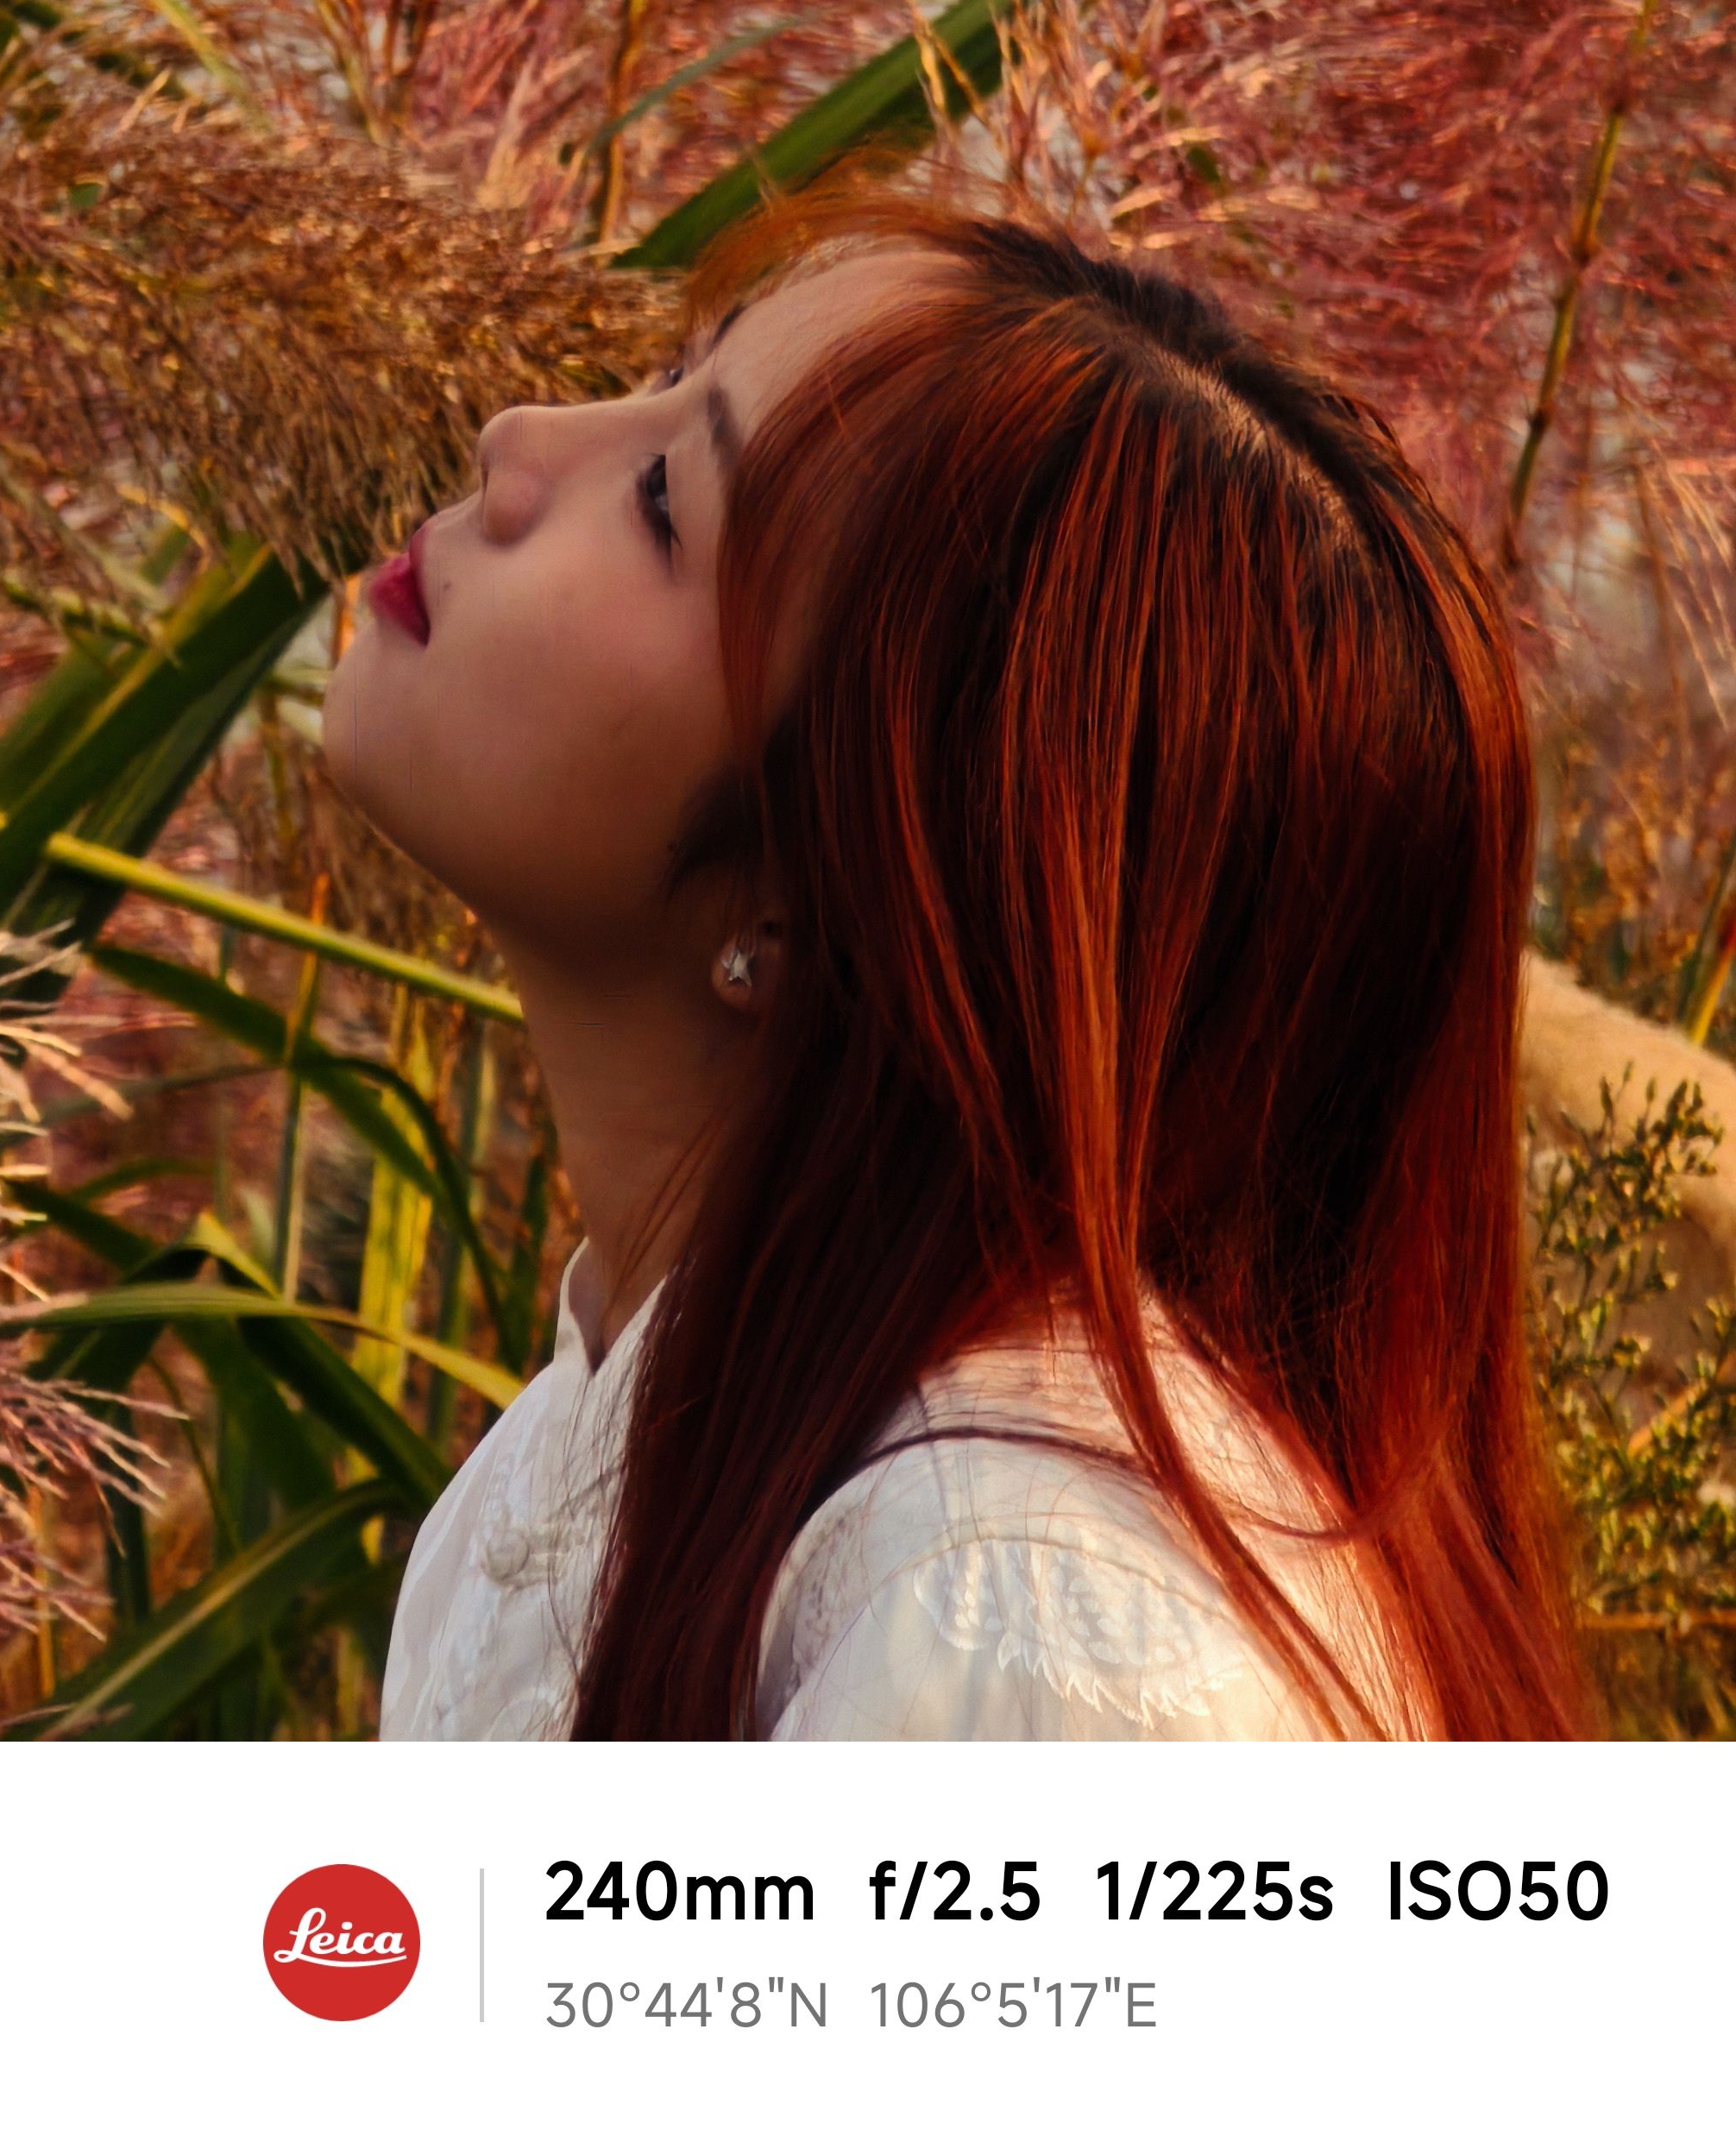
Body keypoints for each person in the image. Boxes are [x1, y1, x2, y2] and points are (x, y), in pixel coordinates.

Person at [324, 193, 1582, 1742]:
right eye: (661, 380)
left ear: (849, 874)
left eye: (661, 504)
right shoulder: (611, 1445)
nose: (518, 440)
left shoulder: (1024, 1638)